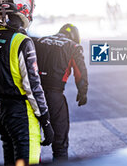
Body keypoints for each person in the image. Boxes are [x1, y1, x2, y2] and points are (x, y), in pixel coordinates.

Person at [0, 0, 54, 165]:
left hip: (3, 114)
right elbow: (33, 86)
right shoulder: (22, 41)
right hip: (23, 115)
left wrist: (2, 107)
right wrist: (45, 121)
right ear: (23, 6)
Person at [32, 23, 88, 160]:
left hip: (33, 94)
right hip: (54, 96)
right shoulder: (73, 46)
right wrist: (82, 92)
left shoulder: (39, 40)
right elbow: (80, 72)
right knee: (60, 142)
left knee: (32, 141)